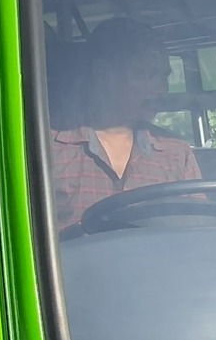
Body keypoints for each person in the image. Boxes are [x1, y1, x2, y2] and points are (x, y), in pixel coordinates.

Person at [49, 18, 201, 235]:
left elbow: (198, 230)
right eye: (143, 74)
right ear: (103, 74)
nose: (160, 90)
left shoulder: (175, 152)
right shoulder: (46, 149)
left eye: (163, 77)